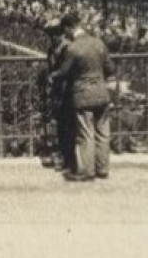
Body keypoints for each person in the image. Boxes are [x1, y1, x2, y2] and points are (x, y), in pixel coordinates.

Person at [55, 12, 113, 182]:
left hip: (83, 95)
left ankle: (87, 171)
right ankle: (103, 169)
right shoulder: (98, 43)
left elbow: (64, 72)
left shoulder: (73, 48)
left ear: (68, 28)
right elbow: (110, 68)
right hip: (102, 93)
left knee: (86, 133)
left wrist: (54, 75)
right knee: (103, 133)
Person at [43, 16, 76, 174]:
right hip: (57, 92)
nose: (53, 38)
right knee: (61, 126)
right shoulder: (53, 49)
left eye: (55, 34)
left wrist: (54, 76)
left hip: (67, 92)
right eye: (51, 35)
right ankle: (64, 157)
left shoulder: (67, 48)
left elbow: (67, 70)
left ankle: (69, 159)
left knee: (68, 126)